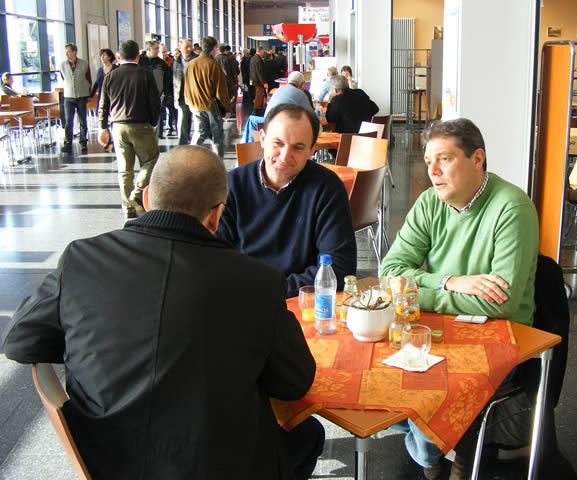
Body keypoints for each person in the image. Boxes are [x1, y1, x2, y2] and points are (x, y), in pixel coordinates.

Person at [2, 145, 324, 480]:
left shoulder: (82, 259)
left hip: (105, 464)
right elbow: (294, 382)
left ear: (146, 199)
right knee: (308, 435)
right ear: (216, 215)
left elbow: (20, 342)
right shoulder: (257, 282)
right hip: (218, 466)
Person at [380, 118, 539, 479]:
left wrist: (418, 295)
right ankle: (438, 450)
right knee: (383, 379)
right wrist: (450, 282)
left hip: (499, 334)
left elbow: (500, 304)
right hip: (441, 328)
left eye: (445, 159)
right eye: (428, 161)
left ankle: (439, 456)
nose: (433, 171)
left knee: (432, 392)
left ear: (477, 158)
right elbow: (391, 271)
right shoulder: (429, 203)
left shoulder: (511, 208)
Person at [216, 103, 357, 297]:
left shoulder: (327, 188)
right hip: (242, 299)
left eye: (298, 147)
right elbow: (214, 259)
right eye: (278, 143)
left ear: (312, 150)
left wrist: (270, 290)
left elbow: (339, 268)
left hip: (302, 303)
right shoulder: (231, 186)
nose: (285, 156)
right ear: (262, 139)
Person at [98, 40, 161, 220]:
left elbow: (103, 104)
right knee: (150, 160)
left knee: (125, 169)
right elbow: (154, 102)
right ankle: (137, 193)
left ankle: (128, 208)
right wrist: (153, 123)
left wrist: (102, 127)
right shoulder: (145, 74)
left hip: (118, 127)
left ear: (119, 56)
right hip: (141, 125)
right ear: (138, 55)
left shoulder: (111, 76)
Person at [184, 36, 232, 158]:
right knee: (217, 136)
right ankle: (218, 161)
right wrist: (227, 108)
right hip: (211, 106)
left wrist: (189, 101)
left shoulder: (191, 64)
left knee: (199, 133)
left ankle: (189, 158)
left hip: (195, 105)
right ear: (213, 48)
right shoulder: (214, 65)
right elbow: (221, 90)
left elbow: (187, 85)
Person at [60, 43, 91, 154]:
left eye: (68, 51)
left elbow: (88, 78)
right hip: (68, 96)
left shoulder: (84, 63)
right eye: (66, 52)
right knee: (68, 121)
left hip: (81, 95)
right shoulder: (62, 65)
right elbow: (63, 78)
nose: (67, 54)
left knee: (82, 120)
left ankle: (83, 142)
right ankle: (68, 143)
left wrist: (88, 93)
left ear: (74, 52)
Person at [138, 40, 172, 139]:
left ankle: (155, 143)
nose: (158, 50)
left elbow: (167, 80)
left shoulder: (161, 64)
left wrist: (166, 94)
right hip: (141, 98)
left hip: (156, 98)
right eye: (156, 48)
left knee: (156, 123)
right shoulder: (139, 62)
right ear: (149, 49)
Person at [173, 38, 198, 145]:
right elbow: (174, 80)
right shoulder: (176, 62)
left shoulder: (196, 60)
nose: (189, 49)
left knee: (197, 122)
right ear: (180, 48)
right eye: (186, 47)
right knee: (182, 121)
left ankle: (196, 145)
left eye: (190, 46)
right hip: (181, 96)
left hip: (194, 96)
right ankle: (182, 144)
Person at [89, 48, 119, 114]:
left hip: (113, 96)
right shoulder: (100, 70)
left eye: (104, 55)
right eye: (101, 55)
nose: (102, 57)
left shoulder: (116, 69)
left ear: (109, 57)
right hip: (102, 97)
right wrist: (91, 95)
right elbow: (96, 83)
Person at [250, 46, 267, 114]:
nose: (263, 52)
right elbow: (259, 72)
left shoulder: (253, 58)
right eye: (263, 51)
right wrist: (263, 82)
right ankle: (256, 109)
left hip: (253, 79)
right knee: (259, 95)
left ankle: (257, 108)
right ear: (260, 50)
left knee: (257, 94)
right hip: (258, 81)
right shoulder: (258, 59)